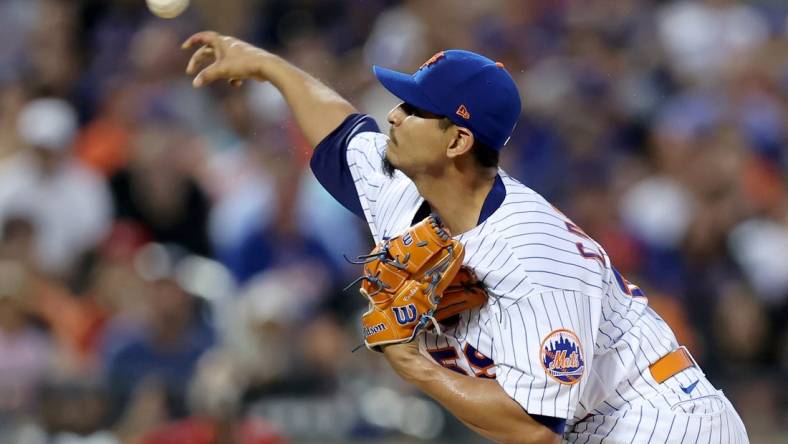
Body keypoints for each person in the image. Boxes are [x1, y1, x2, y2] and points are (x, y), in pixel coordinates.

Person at [182, 31, 750, 443]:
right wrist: (270, 67)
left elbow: (532, 429)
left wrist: (417, 367)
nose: (394, 117)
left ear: (456, 142)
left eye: (413, 108)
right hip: (593, 422)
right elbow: (339, 131)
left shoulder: (531, 254)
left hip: (662, 421)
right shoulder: (406, 188)